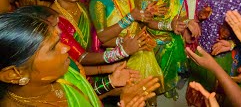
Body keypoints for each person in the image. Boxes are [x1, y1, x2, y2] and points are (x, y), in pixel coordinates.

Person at [0, 6, 161, 107]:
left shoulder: (65, 73)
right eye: (53, 47)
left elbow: (85, 95)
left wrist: (111, 83)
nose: (66, 48)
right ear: (14, 74)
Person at [29, 0, 142, 98]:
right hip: (79, 76)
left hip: (101, 66)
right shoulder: (55, 21)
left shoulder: (83, 2)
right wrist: (122, 51)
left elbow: (99, 37)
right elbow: (81, 57)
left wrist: (124, 42)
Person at [89, 0, 164, 105]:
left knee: (145, 92)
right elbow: (103, 37)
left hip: (137, 49)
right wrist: (130, 18)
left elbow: (138, 25)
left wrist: (146, 15)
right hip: (116, 57)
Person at [140, 0, 201, 100]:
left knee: (171, 69)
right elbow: (146, 21)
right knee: (155, 73)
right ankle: (153, 94)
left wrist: (189, 23)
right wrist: (169, 25)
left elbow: (183, 15)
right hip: (153, 40)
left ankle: (169, 88)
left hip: (173, 39)